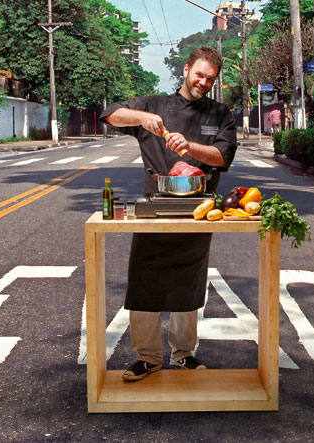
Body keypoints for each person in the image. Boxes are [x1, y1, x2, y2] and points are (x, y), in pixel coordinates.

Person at [101, 46, 237, 382]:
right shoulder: (155, 106)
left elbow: (222, 157)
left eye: (210, 79)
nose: (203, 82)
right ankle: (147, 357)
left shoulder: (220, 113)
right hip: (155, 207)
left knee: (187, 284)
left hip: (199, 207)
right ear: (186, 68)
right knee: (144, 281)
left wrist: (190, 147)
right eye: (199, 75)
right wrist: (140, 118)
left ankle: (183, 354)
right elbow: (109, 114)